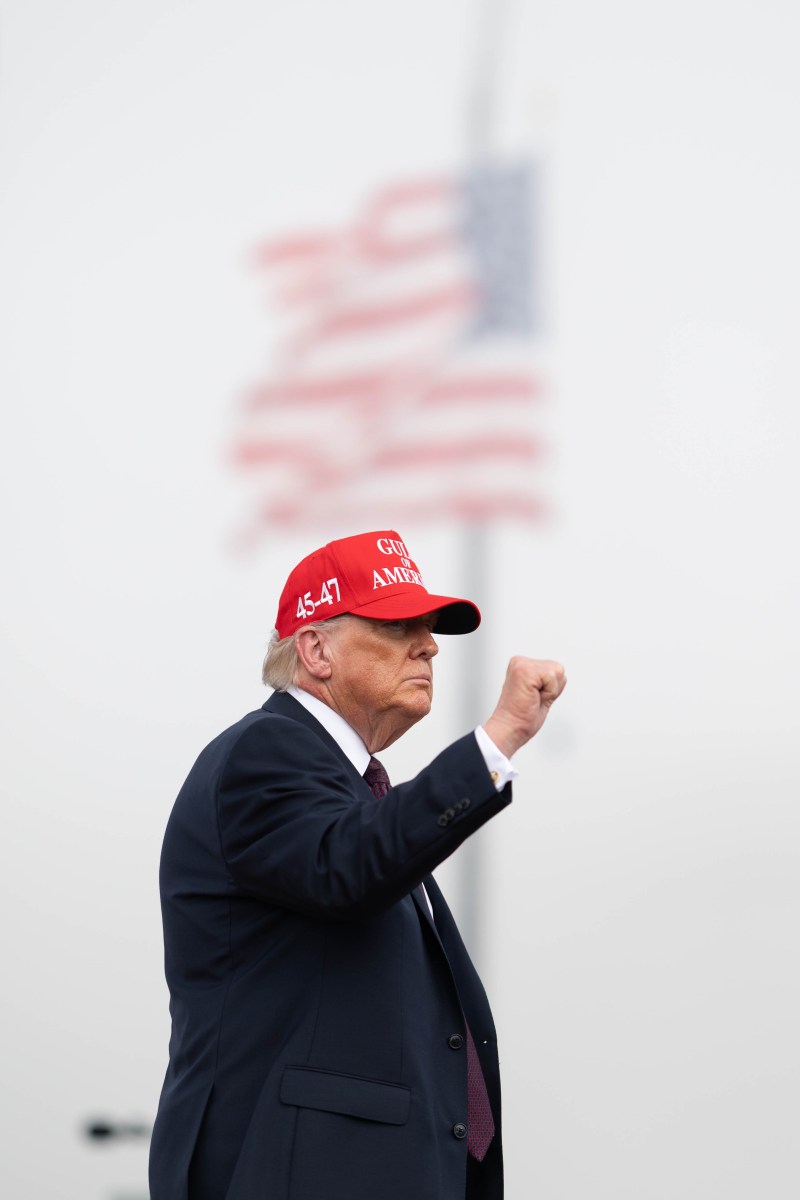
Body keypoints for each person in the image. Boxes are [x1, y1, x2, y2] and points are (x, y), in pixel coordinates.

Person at [150, 529, 566, 1200]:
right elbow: (350, 865)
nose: (429, 645)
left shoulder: (349, 788)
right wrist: (497, 742)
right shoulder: (266, 749)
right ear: (316, 649)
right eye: (399, 626)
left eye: (428, 628)